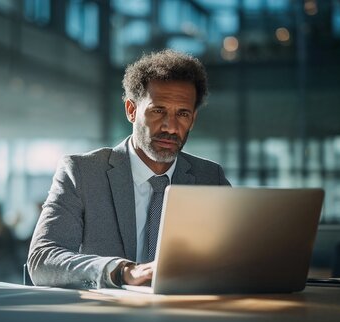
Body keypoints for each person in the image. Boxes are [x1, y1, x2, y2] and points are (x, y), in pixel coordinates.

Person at [27, 49, 231, 289]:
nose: (171, 127)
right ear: (131, 110)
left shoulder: (210, 178)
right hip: (106, 321)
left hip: (186, 317)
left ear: (193, 119)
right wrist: (122, 271)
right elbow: (42, 259)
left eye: (182, 114)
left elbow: (238, 257)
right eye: (158, 111)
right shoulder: (82, 173)